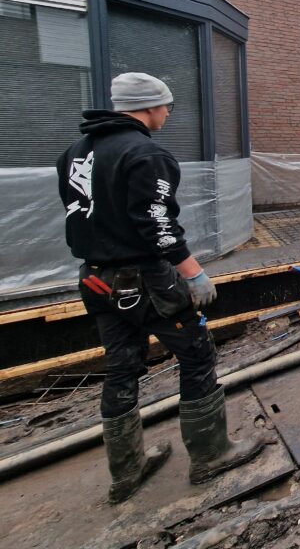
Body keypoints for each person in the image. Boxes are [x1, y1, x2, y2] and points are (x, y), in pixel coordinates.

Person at [57, 72, 268, 503]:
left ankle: (126, 472)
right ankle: (211, 456)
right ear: (150, 107)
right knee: (196, 353)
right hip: (147, 280)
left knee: (120, 367)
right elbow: (157, 224)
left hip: (97, 279)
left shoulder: (76, 153)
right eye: (167, 106)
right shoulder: (146, 153)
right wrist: (193, 272)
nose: (169, 113)